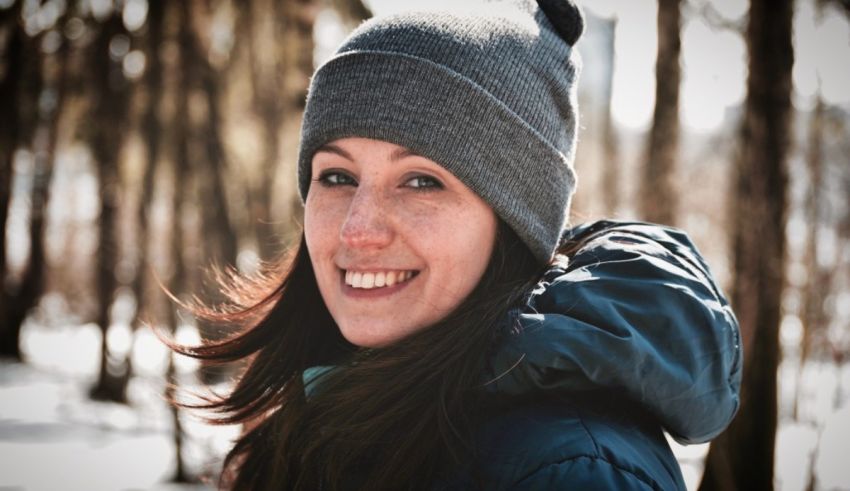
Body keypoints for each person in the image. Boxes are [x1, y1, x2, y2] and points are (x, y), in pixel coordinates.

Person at [175, 0, 742, 489]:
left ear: (515, 222)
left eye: (422, 181)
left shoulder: (572, 469)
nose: (357, 229)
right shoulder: (322, 411)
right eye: (337, 177)